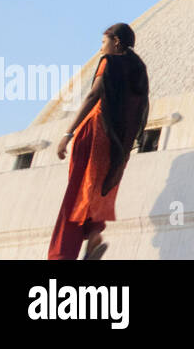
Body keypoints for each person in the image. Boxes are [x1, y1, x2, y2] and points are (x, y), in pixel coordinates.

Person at [48, 22, 150, 260]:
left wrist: (68, 133)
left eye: (103, 42)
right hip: (117, 144)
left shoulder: (110, 63)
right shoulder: (139, 70)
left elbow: (94, 95)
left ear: (116, 42)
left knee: (76, 192)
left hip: (94, 132)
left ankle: (61, 255)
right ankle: (94, 235)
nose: (100, 49)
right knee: (98, 189)